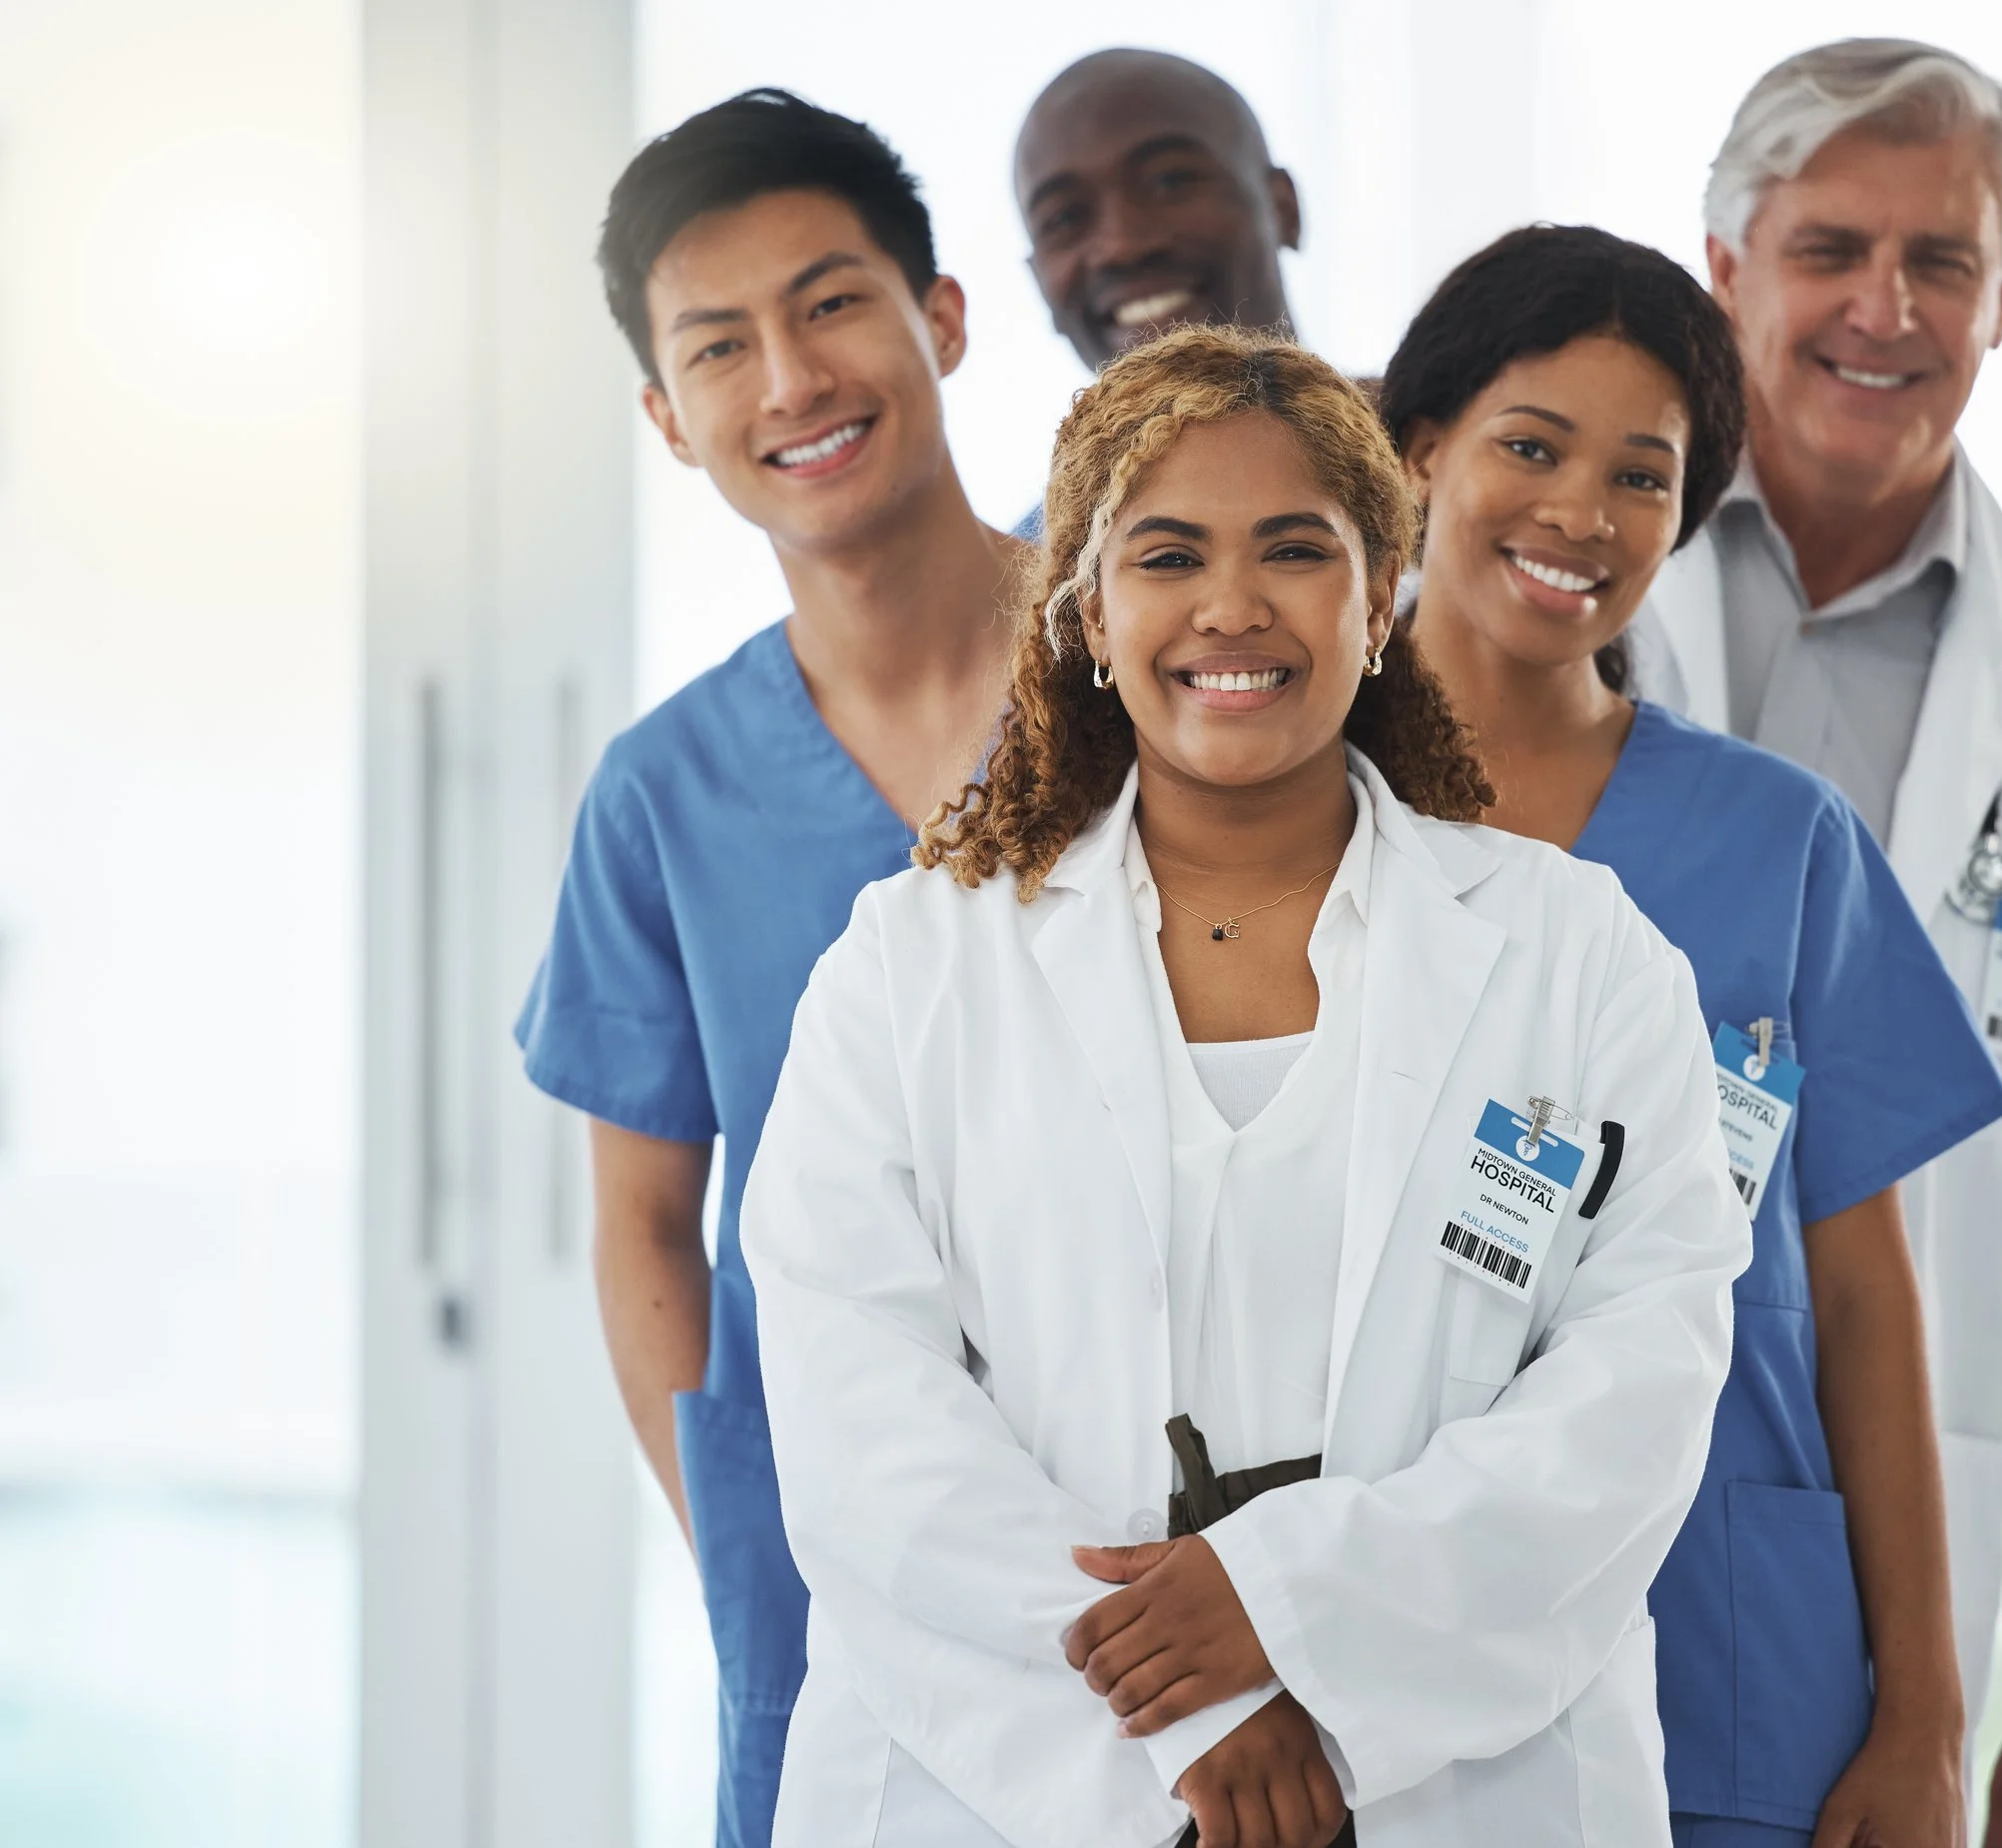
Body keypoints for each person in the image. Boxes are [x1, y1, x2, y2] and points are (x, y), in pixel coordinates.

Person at [743, 325, 1753, 1847]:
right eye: (1165, 556)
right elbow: (859, 1417)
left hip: (1460, 1790)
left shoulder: (1580, 956)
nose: (1233, 605)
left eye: (1297, 549)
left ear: (1378, 597)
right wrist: (1203, 1715)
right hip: (1009, 1784)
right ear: (1087, 608)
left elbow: (1638, 1388)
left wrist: (1293, 1618)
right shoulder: (910, 969)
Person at [1628, 41, 2002, 1845]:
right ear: (1725, 270)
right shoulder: (1531, 606)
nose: (1884, 309)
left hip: (1900, 1556)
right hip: (1532, 1468)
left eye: (1943, 262)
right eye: (1830, 250)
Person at [1389, 224, 2002, 1847]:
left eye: (1644, 476)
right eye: (1531, 447)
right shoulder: (1282, 820)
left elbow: (1868, 1298)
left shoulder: (1781, 847)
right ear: (1417, 452)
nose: (1582, 515)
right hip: (1374, 1631)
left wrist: (1930, 1717)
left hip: (1731, 1642)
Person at [512, 90, 1024, 1847]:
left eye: (831, 303)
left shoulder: (1159, 679)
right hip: (830, 1559)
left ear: (940, 318)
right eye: (720, 347)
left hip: (1177, 1514)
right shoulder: (668, 794)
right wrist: (740, 1529)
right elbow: (647, 1222)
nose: (792, 381)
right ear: (668, 418)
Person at [1014, 49, 1302, 373]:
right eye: (1065, 217)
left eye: (1171, 181)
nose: (1122, 247)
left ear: (1283, 208)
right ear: (1039, 281)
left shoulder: (1370, 420)